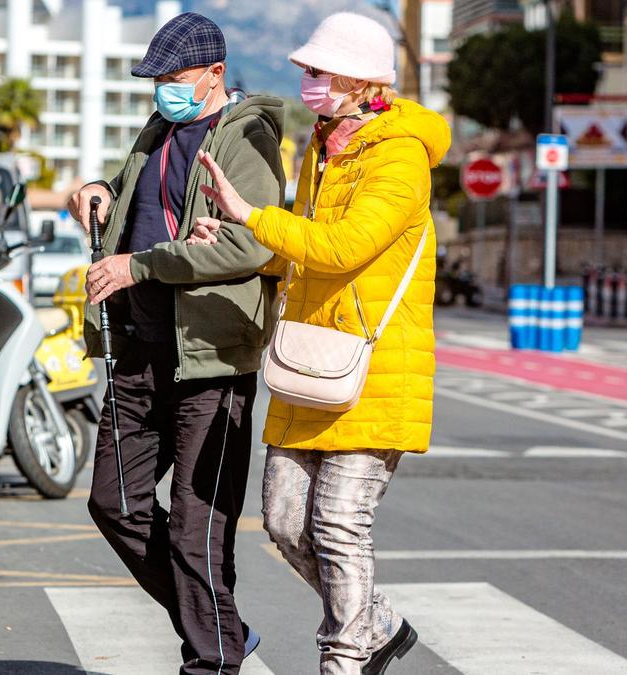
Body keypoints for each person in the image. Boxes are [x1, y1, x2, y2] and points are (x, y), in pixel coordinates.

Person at [189, 12, 450, 674]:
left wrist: (253, 214)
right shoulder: (321, 146)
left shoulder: (401, 156)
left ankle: (345, 658)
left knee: (337, 523)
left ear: (364, 81)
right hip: (307, 358)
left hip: (372, 367)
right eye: (306, 69)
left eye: (319, 70)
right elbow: (300, 256)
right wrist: (232, 239)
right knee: (281, 520)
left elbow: (344, 248)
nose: (306, 80)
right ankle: (377, 621)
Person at [65, 12, 285, 674]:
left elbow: (250, 243)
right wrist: (98, 190)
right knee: (116, 502)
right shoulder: (160, 129)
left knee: (197, 529)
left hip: (210, 360)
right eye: (156, 78)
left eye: (175, 77)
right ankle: (221, 626)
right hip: (139, 349)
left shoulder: (246, 139)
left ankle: (211, 658)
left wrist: (141, 264)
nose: (163, 88)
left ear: (215, 75)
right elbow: (143, 203)